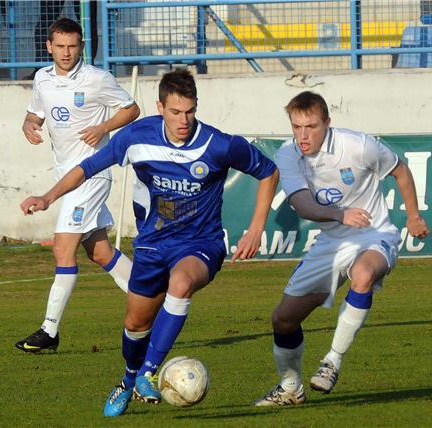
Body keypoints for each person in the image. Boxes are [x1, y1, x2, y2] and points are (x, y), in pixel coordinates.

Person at [20, 69, 279, 416]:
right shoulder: (136, 137)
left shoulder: (219, 144)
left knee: (182, 282)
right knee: (135, 324)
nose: (183, 120)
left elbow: (268, 171)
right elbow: (88, 167)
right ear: (160, 107)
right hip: (153, 245)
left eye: (189, 111)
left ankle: (149, 371)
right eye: (175, 112)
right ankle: (128, 380)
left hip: (200, 243)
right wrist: (49, 196)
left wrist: (255, 228)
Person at [254, 91, 430, 406]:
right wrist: (339, 215)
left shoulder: (359, 145)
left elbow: (400, 170)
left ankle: (332, 360)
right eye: (296, 127)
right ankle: (291, 388)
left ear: (328, 123)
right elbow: (302, 204)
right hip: (331, 241)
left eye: (311, 126)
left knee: (363, 274)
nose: (303, 135)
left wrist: (413, 216)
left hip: (374, 233)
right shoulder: (287, 154)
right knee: (283, 319)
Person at [15, 17, 140, 353]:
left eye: (72, 46)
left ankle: (49, 331)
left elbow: (131, 109)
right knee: (100, 252)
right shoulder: (42, 79)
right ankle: (150, 299)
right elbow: (34, 115)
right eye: (60, 46)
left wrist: (103, 128)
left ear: (81, 46)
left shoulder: (98, 79)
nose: (66, 53)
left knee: (62, 248)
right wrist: (28, 126)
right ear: (49, 47)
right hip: (64, 177)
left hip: (92, 175)